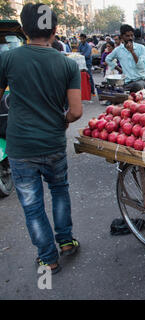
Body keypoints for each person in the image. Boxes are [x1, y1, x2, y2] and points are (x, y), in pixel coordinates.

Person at [0, 3, 82, 274]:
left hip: (21, 147)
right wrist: (62, 120)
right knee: (59, 190)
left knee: (32, 205)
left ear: (23, 30)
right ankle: (66, 241)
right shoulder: (68, 64)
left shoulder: (8, 60)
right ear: (55, 30)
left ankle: (48, 258)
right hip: (53, 142)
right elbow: (76, 111)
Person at [105, 24, 145, 92]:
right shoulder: (118, 50)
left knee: (137, 87)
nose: (130, 38)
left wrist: (132, 52)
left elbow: (141, 66)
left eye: (131, 35)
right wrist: (120, 69)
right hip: (127, 82)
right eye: (127, 36)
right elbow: (108, 59)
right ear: (122, 36)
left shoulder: (141, 48)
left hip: (140, 81)